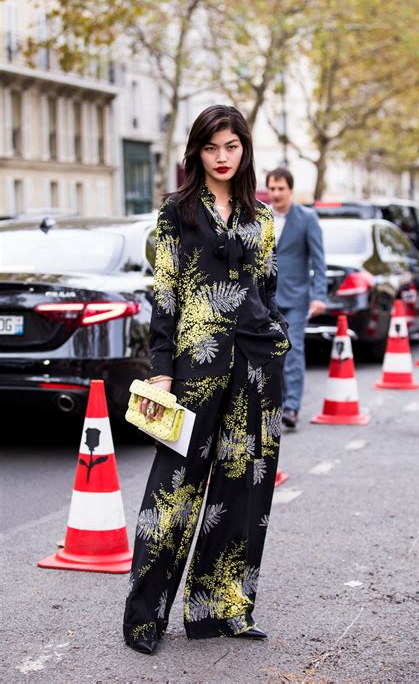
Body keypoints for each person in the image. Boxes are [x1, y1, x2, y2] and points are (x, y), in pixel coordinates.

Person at [123, 105, 290, 654]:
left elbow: (267, 291)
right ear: (197, 151)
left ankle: (224, 611)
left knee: (243, 492)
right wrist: (163, 371)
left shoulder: (261, 218)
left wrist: (277, 341)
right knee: (172, 490)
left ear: (244, 150)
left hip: (256, 369)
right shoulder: (176, 213)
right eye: (211, 147)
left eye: (232, 147)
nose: (222, 158)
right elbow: (165, 298)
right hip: (195, 371)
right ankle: (145, 618)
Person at [266, 168, 327, 428]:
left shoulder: (307, 218)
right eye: (272, 188)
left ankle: (291, 407)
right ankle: (271, 405)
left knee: (293, 351)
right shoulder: (260, 217)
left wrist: (319, 295)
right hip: (264, 299)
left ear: (290, 190)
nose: (276, 193)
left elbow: (318, 260)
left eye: (281, 189)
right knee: (268, 354)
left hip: (296, 299)